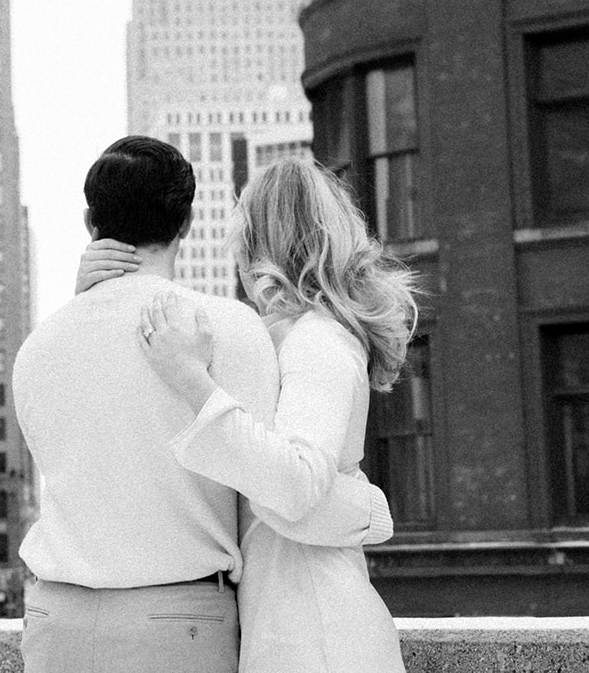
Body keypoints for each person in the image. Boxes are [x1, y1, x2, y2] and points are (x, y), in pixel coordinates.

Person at [12, 136, 392, 673]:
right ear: (188, 222)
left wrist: (87, 306)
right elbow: (267, 488)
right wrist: (370, 512)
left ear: (89, 221)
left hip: (54, 620)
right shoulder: (230, 329)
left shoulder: (37, 348)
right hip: (178, 620)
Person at [128, 156, 418, 673]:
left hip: (319, 638)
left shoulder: (319, 341)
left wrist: (193, 380)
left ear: (263, 241)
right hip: (291, 628)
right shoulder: (280, 340)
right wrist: (366, 507)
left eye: (240, 232)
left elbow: (294, 486)